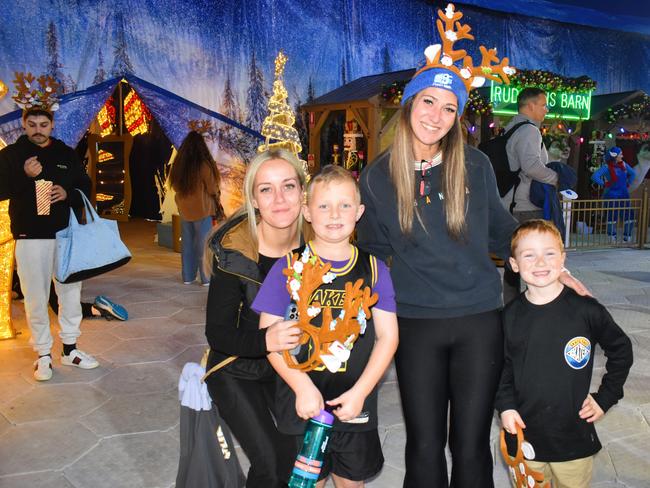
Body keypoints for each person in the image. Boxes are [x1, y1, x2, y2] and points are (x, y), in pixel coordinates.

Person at [355, 5, 587, 486]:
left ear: (457, 116)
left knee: (470, 442)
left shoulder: (475, 165)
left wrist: (547, 263)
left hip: (479, 319)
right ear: (410, 104)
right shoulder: (378, 176)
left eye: (449, 108)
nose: (436, 116)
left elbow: (501, 232)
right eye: (428, 102)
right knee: (423, 443)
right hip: (415, 323)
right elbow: (373, 254)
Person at [254, 165, 399, 488]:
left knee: (351, 481)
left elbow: (388, 338)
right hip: (300, 404)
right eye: (323, 205)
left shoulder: (374, 270)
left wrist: (361, 392)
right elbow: (269, 340)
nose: (334, 214)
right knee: (308, 483)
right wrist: (301, 386)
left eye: (345, 205)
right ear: (307, 212)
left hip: (354, 405)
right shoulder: (287, 268)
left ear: (359, 212)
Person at [496, 220, 633, 488]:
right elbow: (501, 368)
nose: (540, 262)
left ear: (563, 259)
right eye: (529, 255)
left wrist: (605, 397)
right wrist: (506, 406)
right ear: (514, 264)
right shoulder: (508, 318)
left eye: (549, 253)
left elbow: (621, 350)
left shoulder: (586, 311)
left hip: (573, 440)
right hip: (525, 435)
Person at [203, 149, 307, 487]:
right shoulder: (235, 254)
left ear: (302, 193)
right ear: (253, 199)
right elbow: (217, 335)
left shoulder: (318, 245)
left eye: (288, 186)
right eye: (266, 189)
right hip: (237, 366)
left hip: (290, 367)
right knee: (272, 463)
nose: (279, 198)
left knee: (300, 459)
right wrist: (266, 340)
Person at [0, 106, 98, 381]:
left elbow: (85, 185)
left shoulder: (66, 154)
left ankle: (70, 349)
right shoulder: (10, 156)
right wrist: (25, 176)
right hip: (30, 237)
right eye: (32, 124)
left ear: (52, 125)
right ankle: (43, 355)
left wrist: (68, 193)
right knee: (35, 297)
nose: (38, 130)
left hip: (65, 234)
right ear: (23, 124)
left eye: (43, 124)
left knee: (70, 292)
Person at [169, 131, 225, 286]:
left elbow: (174, 185)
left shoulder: (179, 165)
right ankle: (206, 278)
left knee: (187, 244)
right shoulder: (204, 165)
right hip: (203, 209)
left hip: (185, 209)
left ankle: (187, 276)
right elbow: (212, 188)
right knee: (204, 245)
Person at [591, 146, 636, 242]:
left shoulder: (624, 164)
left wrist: (628, 183)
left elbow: (633, 174)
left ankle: (627, 236)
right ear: (615, 156)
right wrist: (605, 184)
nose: (622, 156)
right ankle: (611, 236)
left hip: (624, 193)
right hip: (612, 194)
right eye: (620, 154)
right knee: (612, 215)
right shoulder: (607, 167)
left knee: (629, 215)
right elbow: (595, 176)